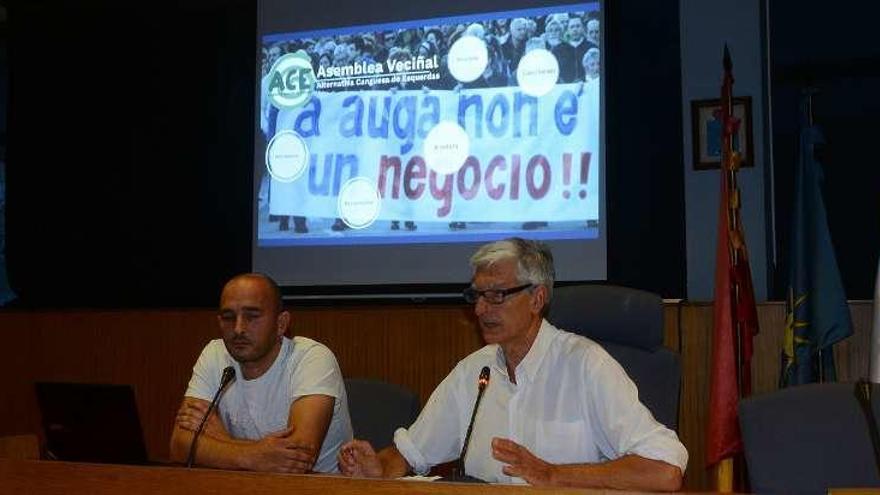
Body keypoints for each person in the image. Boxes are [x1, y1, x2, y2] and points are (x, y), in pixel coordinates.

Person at [338, 238, 687, 490]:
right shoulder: (473, 373)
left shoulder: (585, 365)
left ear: (537, 298)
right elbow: (410, 454)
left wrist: (552, 475)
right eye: (476, 296)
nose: (479, 310)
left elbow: (665, 469)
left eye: (496, 295)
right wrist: (378, 467)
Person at [170, 273, 352, 473]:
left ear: (281, 323)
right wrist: (255, 456)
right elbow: (179, 445)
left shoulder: (311, 358)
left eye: (252, 316)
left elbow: (297, 458)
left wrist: (222, 440)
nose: (238, 329)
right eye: (229, 317)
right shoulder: (215, 354)